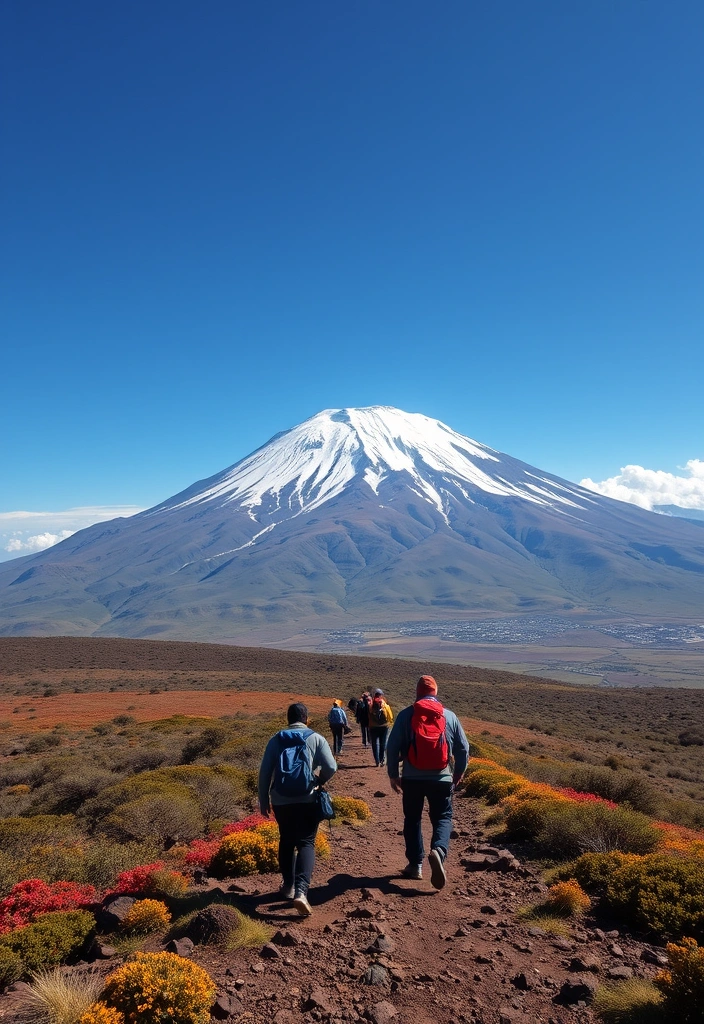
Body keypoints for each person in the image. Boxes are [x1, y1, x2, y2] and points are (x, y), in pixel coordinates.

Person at [386, 675, 469, 890]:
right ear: (435, 692)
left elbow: (392, 746)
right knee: (442, 817)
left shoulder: (406, 715)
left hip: (412, 779)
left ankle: (415, 865)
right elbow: (463, 749)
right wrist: (458, 772)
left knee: (412, 819)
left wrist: (393, 774)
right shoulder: (449, 716)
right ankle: (439, 852)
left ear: (417, 692)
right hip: (442, 778)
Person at [258, 701, 337, 917]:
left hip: (281, 800)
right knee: (306, 842)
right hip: (307, 798)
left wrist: (263, 798)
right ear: (306, 718)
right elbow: (331, 767)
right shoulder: (316, 737)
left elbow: (265, 772)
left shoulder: (276, 739)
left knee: (286, 839)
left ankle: (288, 887)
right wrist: (319, 780)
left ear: (288, 719)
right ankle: (301, 892)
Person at [369, 688, 393, 767]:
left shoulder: (371, 705)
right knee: (382, 743)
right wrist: (390, 723)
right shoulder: (385, 705)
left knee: (375, 744)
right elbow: (390, 716)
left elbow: (368, 716)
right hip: (384, 726)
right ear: (381, 696)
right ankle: (382, 759)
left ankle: (377, 761)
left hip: (373, 727)